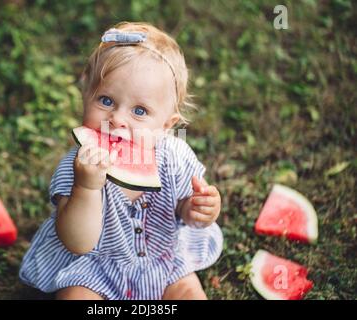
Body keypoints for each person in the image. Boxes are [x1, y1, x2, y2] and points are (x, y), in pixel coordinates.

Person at [20, 21, 223, 300]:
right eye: (105, 101)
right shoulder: (77, 166)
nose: (117, 119)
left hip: (162, 260)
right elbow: (77, 243)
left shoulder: (176, 157)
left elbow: (184, 208)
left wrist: (197, 209)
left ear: (167, 125)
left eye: (139, 110)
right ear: (85, 96)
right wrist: (87, 188)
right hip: (93, 269)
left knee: (189, 292)